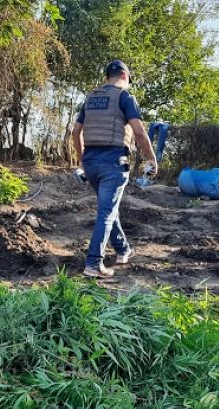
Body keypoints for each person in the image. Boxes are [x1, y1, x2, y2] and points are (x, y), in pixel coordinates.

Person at [72, 60, 159, 278]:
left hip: (91, 163)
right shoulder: (125, 97)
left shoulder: (91, 98)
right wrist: (151, 159)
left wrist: (82, 160)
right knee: (107, 212)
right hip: (113, 162)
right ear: (125, 76)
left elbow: (75, 132)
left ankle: (123, 250)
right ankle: (93, 263)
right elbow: (138, 131)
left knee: (108, 208)